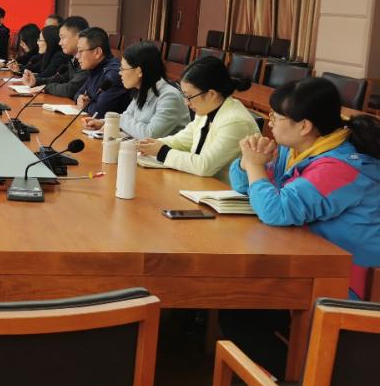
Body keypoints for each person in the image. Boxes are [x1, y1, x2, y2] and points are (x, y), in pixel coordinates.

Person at [230, 77, 380, 299]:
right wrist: (246, 163)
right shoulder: (294, 150)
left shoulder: (339, 168)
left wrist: (254, 165)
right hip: (311, 261)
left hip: (347, 283)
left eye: (276, 117)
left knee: (243, 295)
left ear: (304, 126)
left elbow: (275, 211)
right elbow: (247, 187)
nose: (270, 123)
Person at [136, 56, 259, 181]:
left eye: (189, 97)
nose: (186, 102)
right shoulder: (206, 110)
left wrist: (161, 151)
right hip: (202, 184)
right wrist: (149, 145)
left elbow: (205, 165)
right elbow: (181, 141)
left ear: (211, 94)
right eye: (184, 96)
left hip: (225, 189)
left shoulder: (235, 122)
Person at [84, 42, 189, 138]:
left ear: (139, 71)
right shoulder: (142, 89)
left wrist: (119, 121)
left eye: (123, 69)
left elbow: (150, 135)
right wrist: (104, 122)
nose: (120, 73)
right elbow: (127, 116)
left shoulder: (170, 96)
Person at [22, 15, 89, 99]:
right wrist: (36, 81)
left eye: (63, 38)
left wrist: (46, 88)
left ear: (78, 37)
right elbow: (62, 78)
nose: (60, 43)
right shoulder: (73, 58)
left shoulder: (87, 60)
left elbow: (69, 89)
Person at [72, 27, 131, 118]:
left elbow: (100, 112)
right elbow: (78, 93)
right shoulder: (96, 67)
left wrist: (86, 105)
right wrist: (79, 99)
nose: (77, 56)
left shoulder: (113, 74)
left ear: (97, 52)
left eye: (81, 51)